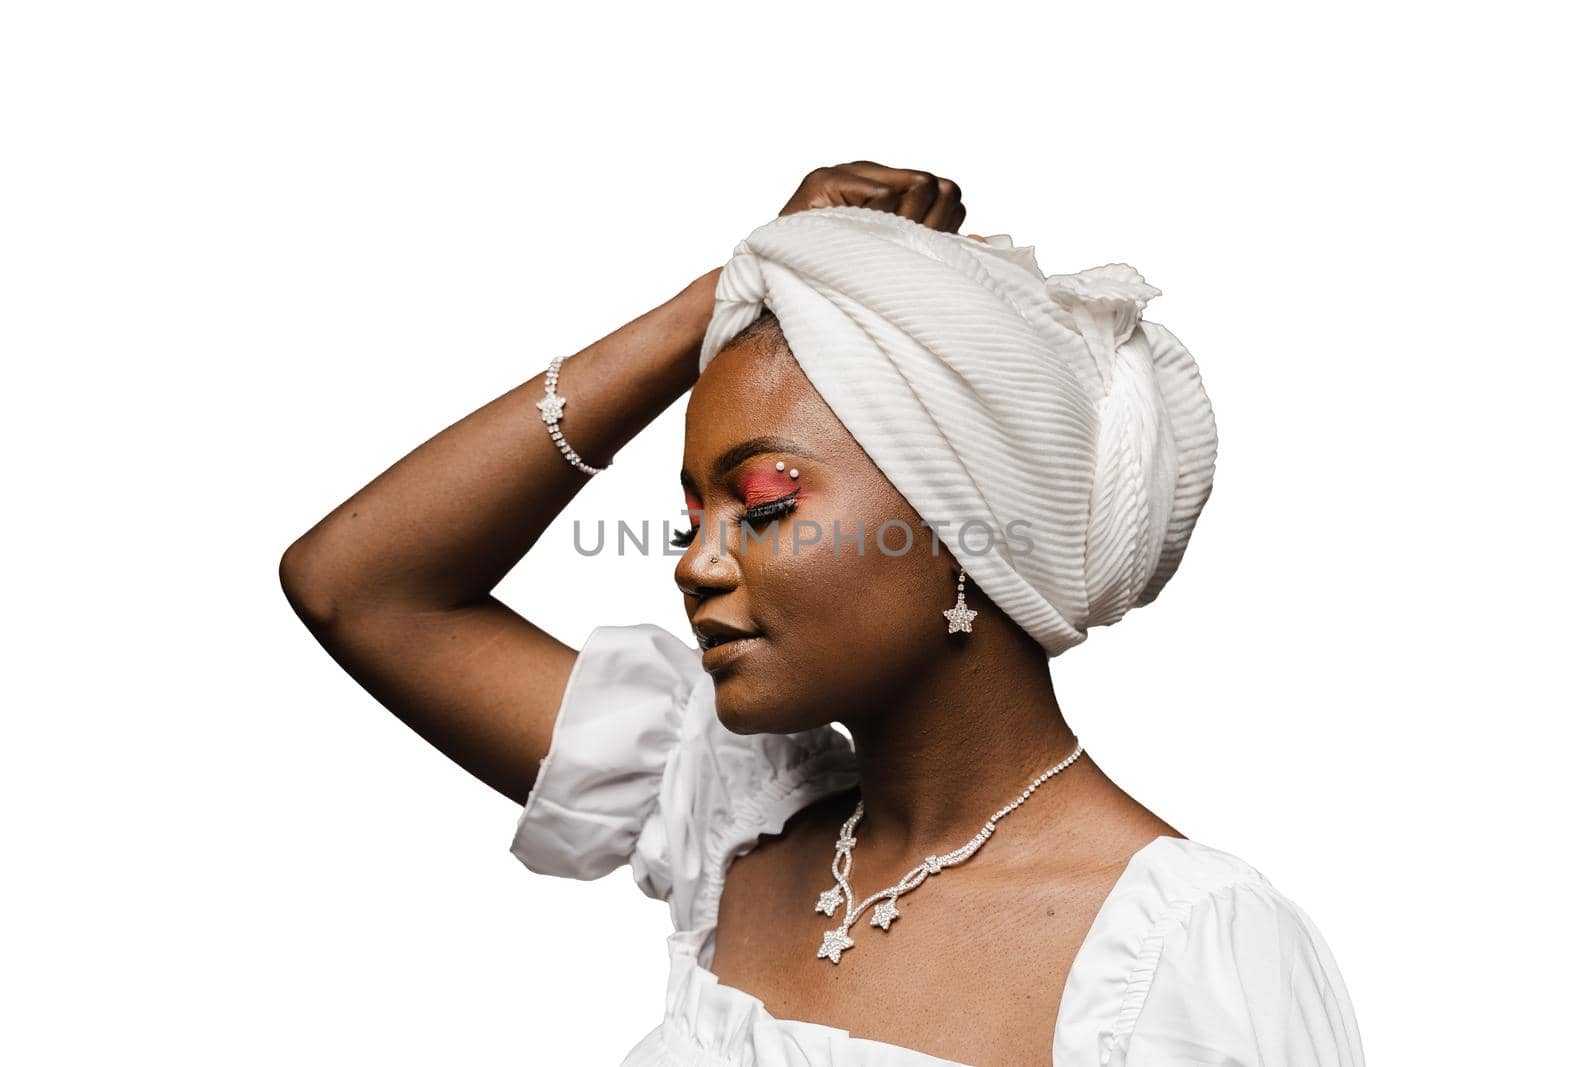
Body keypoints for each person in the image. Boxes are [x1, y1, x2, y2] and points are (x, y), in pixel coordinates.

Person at [280, 162, 1365, 1066]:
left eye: (762, 502)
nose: (694, 564)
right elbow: (359, 584)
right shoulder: (737, 818)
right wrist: (716, 302)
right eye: (689, 513)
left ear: (963, 521)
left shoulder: (1181, 948)